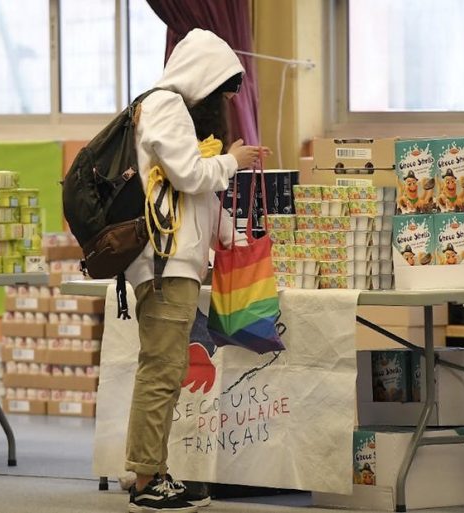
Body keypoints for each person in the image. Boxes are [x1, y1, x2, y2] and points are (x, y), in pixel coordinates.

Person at [123, 28, 269, 513]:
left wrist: (232, 236)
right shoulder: (165, 106)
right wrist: (233, 159)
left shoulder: (172, 111)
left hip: (176, 260)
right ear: (205, 78)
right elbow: (190, 176)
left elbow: (192, 191)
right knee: (162, 370)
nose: (227, 100)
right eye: (225, 89)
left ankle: (154, 471)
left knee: (165, 368)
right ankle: (146, 479)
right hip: (166, 262)